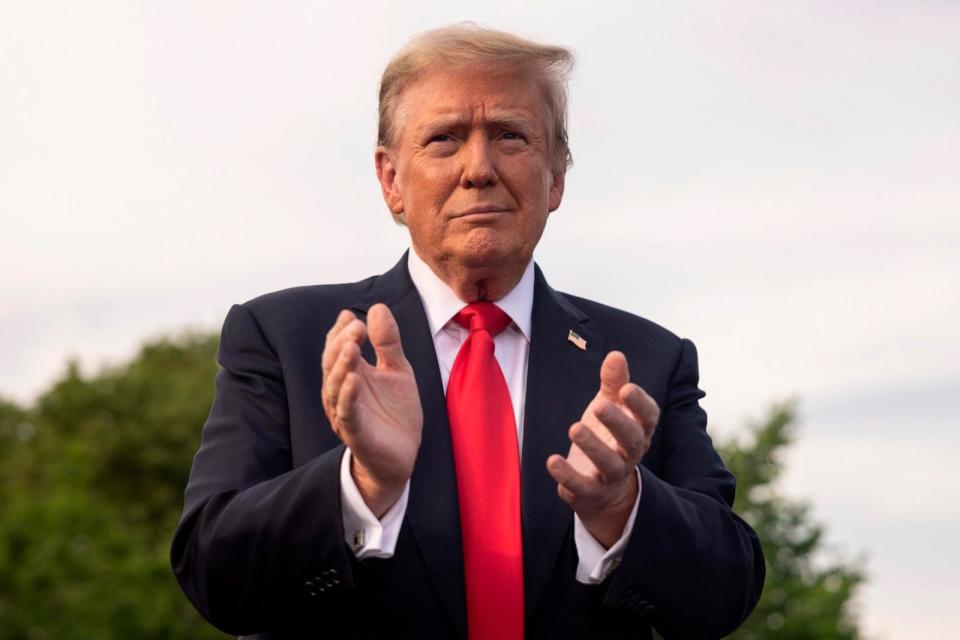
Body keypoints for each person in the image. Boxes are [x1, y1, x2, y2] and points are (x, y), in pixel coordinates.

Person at [171, 24, 764, 639]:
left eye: (510, 136)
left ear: (556, 176)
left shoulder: (645, 360)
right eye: (444, 139)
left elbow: (725, 595)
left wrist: (622, 509)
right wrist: (361, 486)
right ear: (391, 181)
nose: (478, 169)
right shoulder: (283, 337)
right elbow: (215, 576)